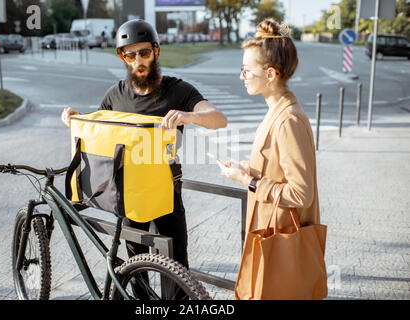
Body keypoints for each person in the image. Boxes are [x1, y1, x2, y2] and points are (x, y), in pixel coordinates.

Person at [61, 19, 227, 298]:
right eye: (130, 54)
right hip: (127, 195)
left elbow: (219, 119)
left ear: (156, 51)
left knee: (177, 269)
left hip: (164, 192)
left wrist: (190, 115)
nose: (138, 60)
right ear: (122, 57)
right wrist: (76, 119)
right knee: (135, 269)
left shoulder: (178, 90)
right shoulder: (115, 94)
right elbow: (100, 129)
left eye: (144, 52)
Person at [217, 18, 321, 296]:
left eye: (247, 71)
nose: (242, 76)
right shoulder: (277, 110)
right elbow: (277, 169)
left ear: (271, 74)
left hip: (281, 238)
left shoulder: (288, 119)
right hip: (269, 230)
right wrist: (247, 169)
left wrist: (249, 182)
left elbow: (301, 194)